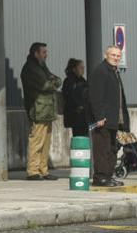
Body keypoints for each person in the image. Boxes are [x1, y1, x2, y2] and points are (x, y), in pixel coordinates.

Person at [88, 46, 130, 187]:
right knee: (102, 149)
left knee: (112, 149)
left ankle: (108, 176)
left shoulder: (114, 72)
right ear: (106, 55)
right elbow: (95, 96)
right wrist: (99, 116)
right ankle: (100, 178)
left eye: (118, 56)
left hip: (115, 119)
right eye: (113, 55)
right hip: (103, 120)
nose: (116, 57)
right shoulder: (101, 71)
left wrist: (123, 120)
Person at [20, 42, 61, 181]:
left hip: (46, 110)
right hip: (37, 109)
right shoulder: (31, 68)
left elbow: (56, 79)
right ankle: (32, 170)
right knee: (36, 140)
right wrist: (53, 82)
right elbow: (46, 85)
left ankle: (43, 170)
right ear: (35, 53)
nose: (46, 54)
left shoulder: (42, 66)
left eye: (46, 52)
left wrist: (54, 81)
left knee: (46, 142)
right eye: (43, 52)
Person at [62, 58, 89, 137]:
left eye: (83, 67)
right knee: (78, 136)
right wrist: (77, 106)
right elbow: (68, 97)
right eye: (80, 68)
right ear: (74, 69)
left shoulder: (83, 80)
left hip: (84, 116)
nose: (83, 70)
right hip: (75, 115)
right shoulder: (69, 81)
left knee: (84, 136)